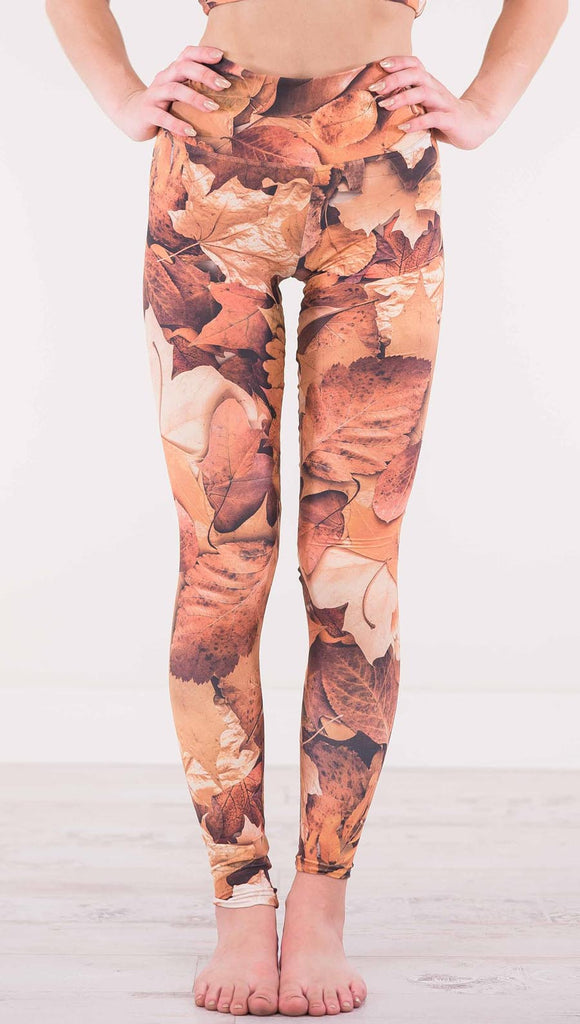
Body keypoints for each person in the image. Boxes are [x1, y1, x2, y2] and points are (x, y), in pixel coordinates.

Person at [45, 0, 567, 1015]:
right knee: (222, 563)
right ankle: (240, 901)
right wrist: (120, 93)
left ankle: (321, 900)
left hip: (383, 175)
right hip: (209, 171)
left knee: (351, 569)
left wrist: (484, 103)